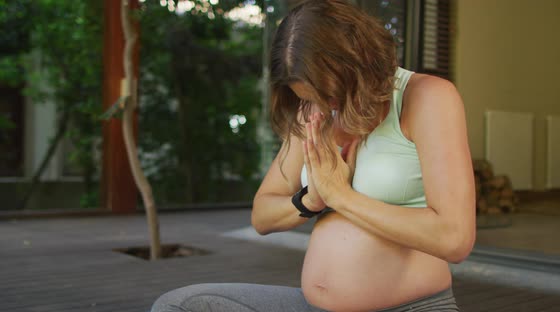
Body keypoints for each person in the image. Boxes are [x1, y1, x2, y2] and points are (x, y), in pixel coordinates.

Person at [151, 0, 475, 311]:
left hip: (410, 307)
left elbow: (454, 239)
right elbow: (262, 214)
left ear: (358, 63)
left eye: (330, 94)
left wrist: (341, 196)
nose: (326, 107)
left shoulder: (426, 98)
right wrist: (311, 200)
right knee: (179, 306)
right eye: (309, 96)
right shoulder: (314, 111)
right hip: (312, 306)